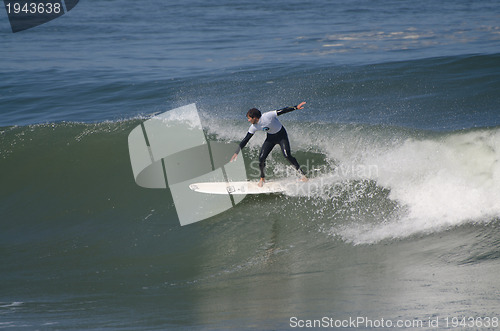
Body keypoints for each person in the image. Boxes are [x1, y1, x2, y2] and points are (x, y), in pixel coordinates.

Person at [231, 102, 308, 187]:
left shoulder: (267, 116)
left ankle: (303, 175)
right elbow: (246, 139)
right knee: (261, 158)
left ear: (255, 117)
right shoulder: (254, 127)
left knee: (287, 155)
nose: (248, 120)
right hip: (271, 138)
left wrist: (296, 107)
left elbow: (282, 111)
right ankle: (262, 178)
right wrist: (236, 152)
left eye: (249, 118)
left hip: (282, 136)